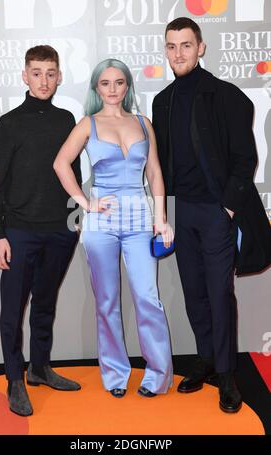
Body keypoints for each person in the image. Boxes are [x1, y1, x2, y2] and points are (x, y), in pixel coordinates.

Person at [152, 17, 271, 413]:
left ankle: (226, 373)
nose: (178, 53)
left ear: (200, 48)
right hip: (182, 210)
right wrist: (163, 209)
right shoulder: (162, 100)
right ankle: (205, 360)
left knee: (220, 294)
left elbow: (245, 157)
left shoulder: (227, 95)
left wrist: (229, 205)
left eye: (186, 45)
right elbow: (161, 163)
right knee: (193, 292)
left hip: (217, 211)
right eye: (171, 46)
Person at [54, 58, 173, 398]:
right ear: (96, 88)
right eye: (105, 83)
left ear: (127, 86)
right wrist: (85, 202)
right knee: (107, 301)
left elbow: (154, 174)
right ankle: (115, 374)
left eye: (119, 82)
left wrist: (161, 218)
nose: (112, 89)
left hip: (139, 218)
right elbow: (61, 163)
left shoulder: (142, 123)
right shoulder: (87, 124)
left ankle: (158, 374)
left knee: (148, 298)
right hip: (100, 221)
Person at [0, 45, 82, 417]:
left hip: (60, 231)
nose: (44, 80)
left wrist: (74, 222)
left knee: (45, 303)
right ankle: (14, 379)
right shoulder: (8, 124)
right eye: (37, 72)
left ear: (59, 77)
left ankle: (39, 368)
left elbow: (72, 174)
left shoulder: (66, 119)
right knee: (13, 309)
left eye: (51, 72)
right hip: (19, 233)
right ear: (25, 76)